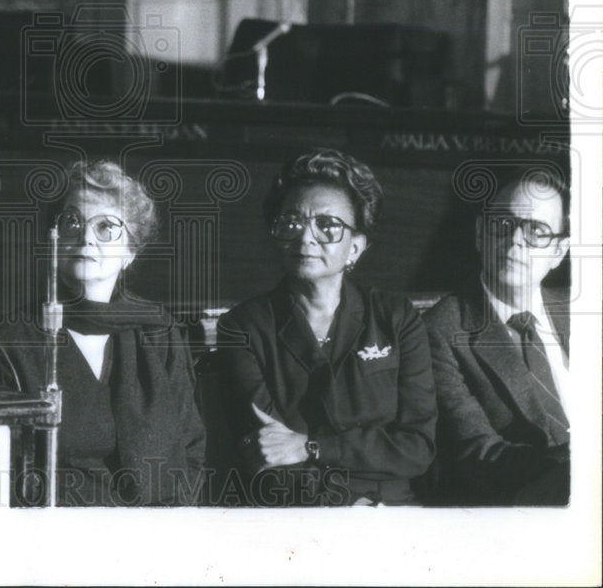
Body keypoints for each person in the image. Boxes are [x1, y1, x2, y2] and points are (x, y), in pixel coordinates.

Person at [0, 159, 206, 506]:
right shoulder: (9, 340)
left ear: (130, 252)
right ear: (54, 240)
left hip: (158, 532)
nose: (85, 236)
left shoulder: (160, 332)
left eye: (105, 227)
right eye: (72, 222)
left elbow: (191, 449)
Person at [217, 148, 436, 506]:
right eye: (291, 222)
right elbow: (267, 455)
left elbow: (416, 448)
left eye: (328, 226)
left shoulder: (396, 318)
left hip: (392, 510)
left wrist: (309, 446)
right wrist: (348, 503)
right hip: (296, 515)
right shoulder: (243, 327)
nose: (306, 238)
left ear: (356, 248)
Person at [423, 167, 571, 505]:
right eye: (503, 224)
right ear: (480, 234)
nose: (516, 239)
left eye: (537, 230)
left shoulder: (581, 312)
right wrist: (578, 464)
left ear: (558, 253)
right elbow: (478, 452)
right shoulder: (441, 330)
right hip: (528, 503)